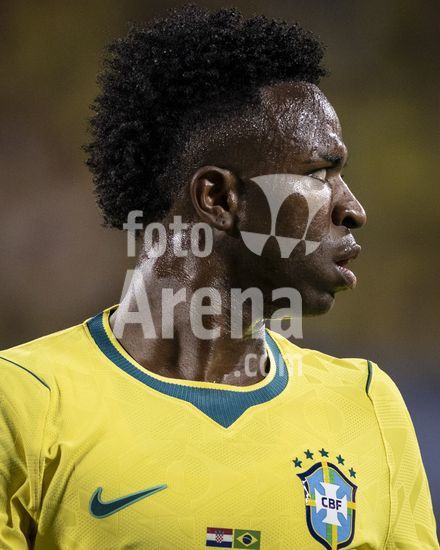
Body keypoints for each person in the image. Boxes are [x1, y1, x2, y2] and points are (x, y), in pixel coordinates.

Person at [0, 5, 437, 549]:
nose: (353, 209)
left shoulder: (369, 407)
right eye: (319, 174)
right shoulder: (26, 402)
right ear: (219, 198)